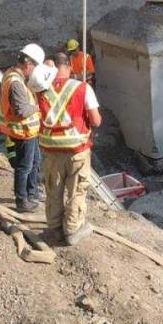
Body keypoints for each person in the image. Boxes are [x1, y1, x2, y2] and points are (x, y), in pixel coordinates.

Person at [30, 52, 101, 246]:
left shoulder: (41, 88)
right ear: (70, 65)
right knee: (76, 190)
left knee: (53, 189)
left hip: (51, 150)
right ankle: (72, 230)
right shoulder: (82, 88)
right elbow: (96, 120)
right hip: (77, 150)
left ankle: (54, 229)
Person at [0, 43, 45, 212]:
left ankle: (32, 193)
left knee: (34, 162)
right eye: (34, 67)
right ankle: (22, 201)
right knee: (24, 166)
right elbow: (21, 111)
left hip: (28, 131)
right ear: (28, 64)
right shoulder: (16, 83)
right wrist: (38, 106)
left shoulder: (13, 76)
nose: (34, 72)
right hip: (22, 131)